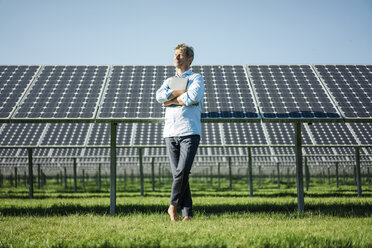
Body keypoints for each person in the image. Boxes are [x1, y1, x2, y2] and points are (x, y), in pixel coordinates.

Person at [156, 43, 205, 221]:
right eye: (175, 54)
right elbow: (159, 97)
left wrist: (170, 99)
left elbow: (193, 97)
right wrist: (178, 94)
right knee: (179, 173)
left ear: (189, 59)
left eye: (180, 55)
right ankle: (188, 214)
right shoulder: (168, 81)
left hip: (189, 131)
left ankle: (172, 205)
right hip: (170, 132)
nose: (176, 58)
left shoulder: (197, 78)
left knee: (182, 171)